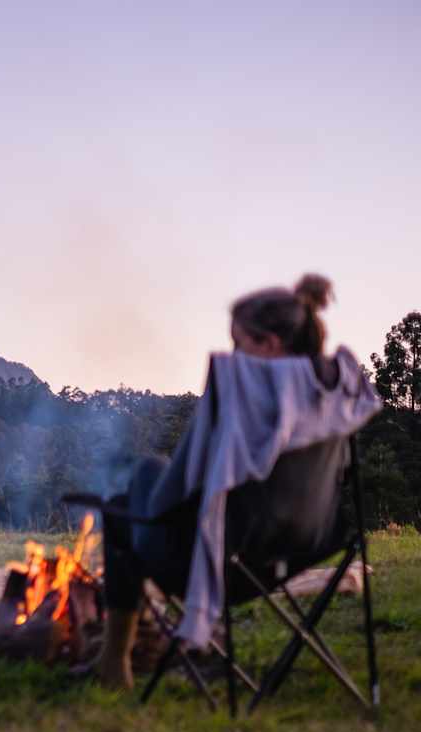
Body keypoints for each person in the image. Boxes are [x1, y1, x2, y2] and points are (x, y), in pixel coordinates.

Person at [95, 273, 351, 690]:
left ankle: (113, 664)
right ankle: (121, 657)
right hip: (304, 548)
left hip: (223, 568)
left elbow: (169, 498)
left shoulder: (242, 394)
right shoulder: (332, 395)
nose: (235, 353)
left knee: (134, 489)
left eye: (240, 343)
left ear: (269, 344)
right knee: (134, 495)